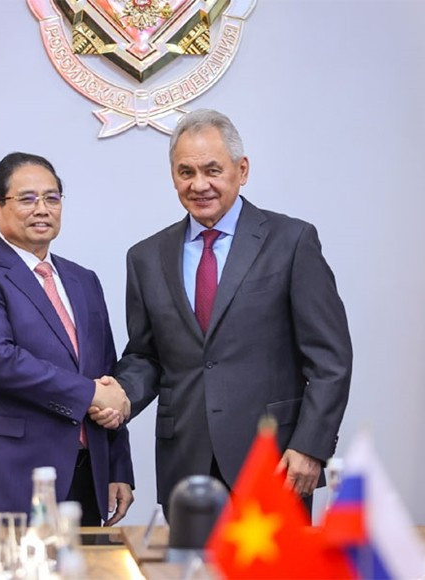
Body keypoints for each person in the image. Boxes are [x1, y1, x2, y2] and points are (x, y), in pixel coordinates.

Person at [105, 109, 352, 515]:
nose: (199, 184)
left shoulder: (292, 241)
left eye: (212, 170)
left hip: (276, 465)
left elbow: (331, 360)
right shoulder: (146, 257)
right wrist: (119, 395)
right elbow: (147, 355)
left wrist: (310, 446)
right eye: (186, 172)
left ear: (242, 170)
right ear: (173, 176)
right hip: (186, 467)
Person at [0, 152, 134, 527]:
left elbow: (106, 376)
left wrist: (118, 467)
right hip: (8, 479)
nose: (42, 209)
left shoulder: (84, 280)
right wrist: (90, 394)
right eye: (27, 199)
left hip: (85, 476)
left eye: (52, 198)